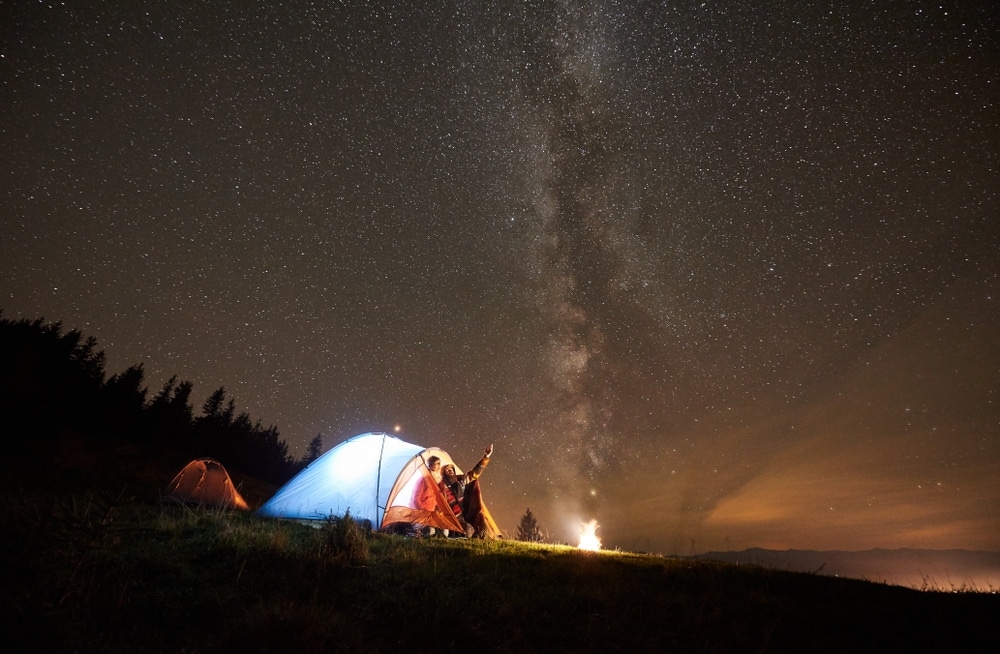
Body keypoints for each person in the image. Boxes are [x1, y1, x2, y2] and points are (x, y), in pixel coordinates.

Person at [440, 444, 493, 538]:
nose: (450, 471)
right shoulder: (442, 486)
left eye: (451, 469)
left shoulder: (460, 482)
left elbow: (474, 473)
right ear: (444, 474)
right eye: (447, 470)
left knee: (480, 527)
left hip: (462, 515)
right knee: (466, 530)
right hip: (449, 517)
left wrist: (485, 457)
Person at [410, 455, 442, 537]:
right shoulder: (423, 480)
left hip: (430, 515)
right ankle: (414, 530)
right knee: (430, 531)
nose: (439, 466)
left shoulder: (436, 482)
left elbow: (434, 499)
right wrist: (424, 512)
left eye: (439, 463)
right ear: (431, 466)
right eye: (437, 463)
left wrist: (437, 509)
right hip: (420, 515)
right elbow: (415, 499)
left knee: (444, 531)